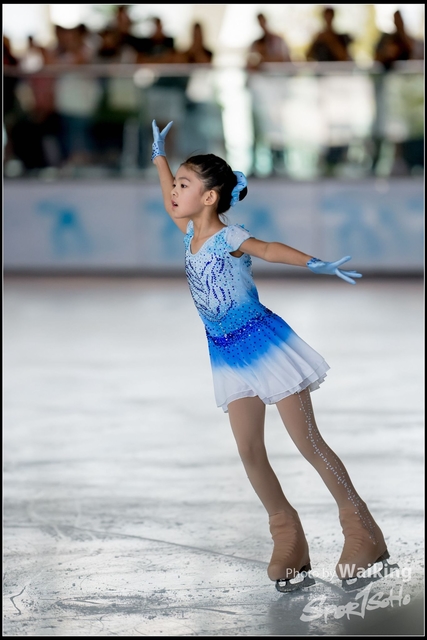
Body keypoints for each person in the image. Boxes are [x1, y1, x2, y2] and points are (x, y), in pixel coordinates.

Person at [150, 119, 394, 593]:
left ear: (209, 197)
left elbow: (267, 249)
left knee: (307, 441)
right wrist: (160, 158)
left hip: (265, 345)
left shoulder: (228, 237)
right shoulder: (188, 232)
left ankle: (362, 529)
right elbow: (166, 199)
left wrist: (313, 262)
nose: (174, 191)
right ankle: (288, 535)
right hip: (226, 353)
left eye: (183, 184)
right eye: (175, 183)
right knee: (249, 450)